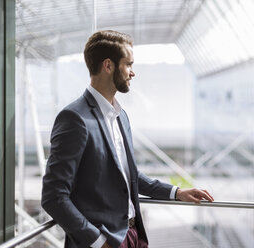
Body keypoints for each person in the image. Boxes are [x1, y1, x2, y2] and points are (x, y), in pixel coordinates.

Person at [41, 30, 214, 248]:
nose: (133, 73)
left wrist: (177, 192)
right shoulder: (75, 118)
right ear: (108, 66)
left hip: (133, 236)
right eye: (129, 64)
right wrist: (98, 241)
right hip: (104, 241)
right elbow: (53, 196)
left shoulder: (120, 116)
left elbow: (129, 177)